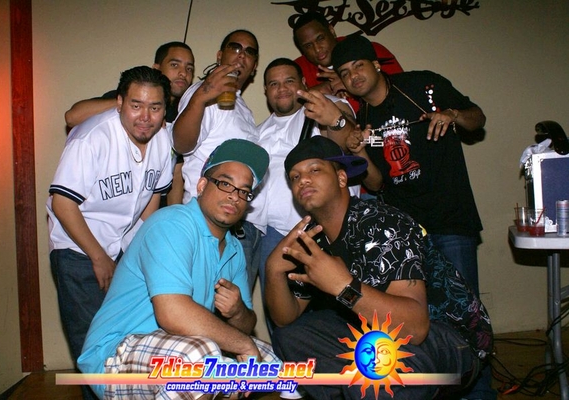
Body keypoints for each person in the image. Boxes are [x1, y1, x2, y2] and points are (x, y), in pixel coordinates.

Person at [265, 136, 492, 399]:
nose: (303, 180)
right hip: (375, 331)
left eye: (314, 170)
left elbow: (416, 329)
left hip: (451, 338)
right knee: (290, 337)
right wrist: (273, 270)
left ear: (341, 178)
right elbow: (286, 319)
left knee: (374, 373)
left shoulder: (384, 222)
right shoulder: (313, 240)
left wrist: (343, 286)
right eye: (294, 177)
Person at [331, 34, 493, 399]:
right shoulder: (363, 118)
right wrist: (360, 152)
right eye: (345, 72)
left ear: (376, 64)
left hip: (450, 220)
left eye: (359, 65)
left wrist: (452, 115)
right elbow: (377, 183)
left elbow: (477, 118)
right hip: (407, 235)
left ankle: (480, 393)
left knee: (467, 317)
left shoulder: (423, 86)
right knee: (422, 320)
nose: (354, 76)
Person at [78, 139, 277, 399]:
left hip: (174, 346)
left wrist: (238, 311)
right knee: (199, 357)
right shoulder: (172, 223)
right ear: (202, 185)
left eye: (243, 191)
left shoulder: (234, 249)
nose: (234, 196)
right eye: (225, 183)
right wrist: (242, 344)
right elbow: (172, 313)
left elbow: (246, 325)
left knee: (269, 362)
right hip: (114, 356)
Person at [47, 66, 175, 398]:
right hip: (78, 249)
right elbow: (62, 203)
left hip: (123, 250)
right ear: (119, 103)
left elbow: (152, 199)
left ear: (165, 109)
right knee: (93, 348)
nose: (145, 117)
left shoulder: (163, 140)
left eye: (155, 107)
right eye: (136, 105)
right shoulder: (92, 137)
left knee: (127, 338)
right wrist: (99, 257)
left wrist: (140, 253)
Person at [247, 57, 371, 309]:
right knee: (282, 314)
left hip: (328, 229)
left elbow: (346, 139)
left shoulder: (324, 108)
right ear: (266, 90)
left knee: (344, 306)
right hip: (274, 234)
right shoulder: (257, 132)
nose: (282, 88)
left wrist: (336, 120)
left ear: (304, 83)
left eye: (289, 81)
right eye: (274, 84)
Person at [172, 29, 261, 291]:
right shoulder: (203, 93)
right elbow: (181, 144)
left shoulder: (243, 107)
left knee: (231, 307)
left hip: (235, 223)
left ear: (254, 67)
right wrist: (202, 95)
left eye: (250, 52)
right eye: (235, 48)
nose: (242, 55)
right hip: (204, 221)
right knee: (198, 305)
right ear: (220, 56)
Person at [64, 41, 195, 128]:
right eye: (174, 65)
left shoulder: (187, 112)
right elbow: (72, 117)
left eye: (189, 68)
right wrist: (134, 103)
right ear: (156, 68)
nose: (183, 73)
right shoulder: (127, 96)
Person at [292, 12, 403, 112]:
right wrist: (315, 92)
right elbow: (286, 106)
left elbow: (402, 91)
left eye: (320, 38)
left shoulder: (367, 50)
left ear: (331, 30)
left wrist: (350, 82)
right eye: (308, 46)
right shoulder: (297, 69)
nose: (317, 49)